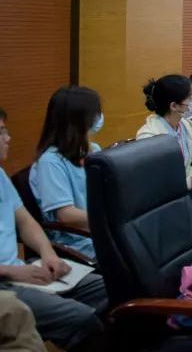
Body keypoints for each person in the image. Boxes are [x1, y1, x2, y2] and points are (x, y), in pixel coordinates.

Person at [0, 107, 108, 351]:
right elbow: (65, 214)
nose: (8, 138)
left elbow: (26, 222)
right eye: (1, 132)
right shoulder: (51, 160)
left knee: (114, 288)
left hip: (23, 271)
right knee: (81, 318)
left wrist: (48, 254)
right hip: (7, 281)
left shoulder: (0, 175)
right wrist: (11, 272)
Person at [29, 87, 103, 260]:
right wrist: (108, 219)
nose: (99, 117)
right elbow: (66, 215)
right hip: (78, 243)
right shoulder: (51, 162)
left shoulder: (93, 151)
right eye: (96, 113)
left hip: (101, 234)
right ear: (79, 120)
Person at [137, 75, 192, 190]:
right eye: (190, 98)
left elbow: (185, 168)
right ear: (174, 106)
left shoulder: (187, 126)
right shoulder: (148, 137)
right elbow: (152, 184)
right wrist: (187, 183)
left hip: (184, 193)